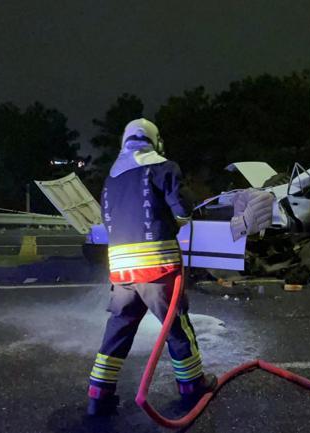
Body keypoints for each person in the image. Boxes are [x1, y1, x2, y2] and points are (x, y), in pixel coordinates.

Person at [86, 118, 216, 416]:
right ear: (155, 141)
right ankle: (192, 387)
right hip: (156, 268)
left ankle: (98, 395)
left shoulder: (112, 177)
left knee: (118, 330)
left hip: (121, 271)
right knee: (176, 326)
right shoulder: (163, 167)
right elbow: (183, 210)